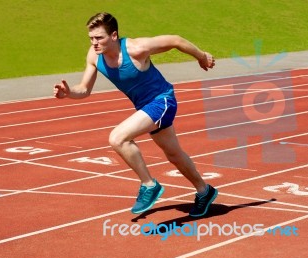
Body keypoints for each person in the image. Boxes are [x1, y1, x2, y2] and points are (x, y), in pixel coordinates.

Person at [54, 12, 217, 217]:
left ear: (114, 36)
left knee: (117, 138)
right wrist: (69, 93)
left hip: (162, 100)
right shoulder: (94, 56)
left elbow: (175, 40)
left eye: (99, 38)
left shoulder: (136, 48)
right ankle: (205, 191)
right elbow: (84, 89)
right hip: (145, 107)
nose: (94, 43)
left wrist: (202, 56)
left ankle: (149, 185)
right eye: (91, 38)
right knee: (174, 154)